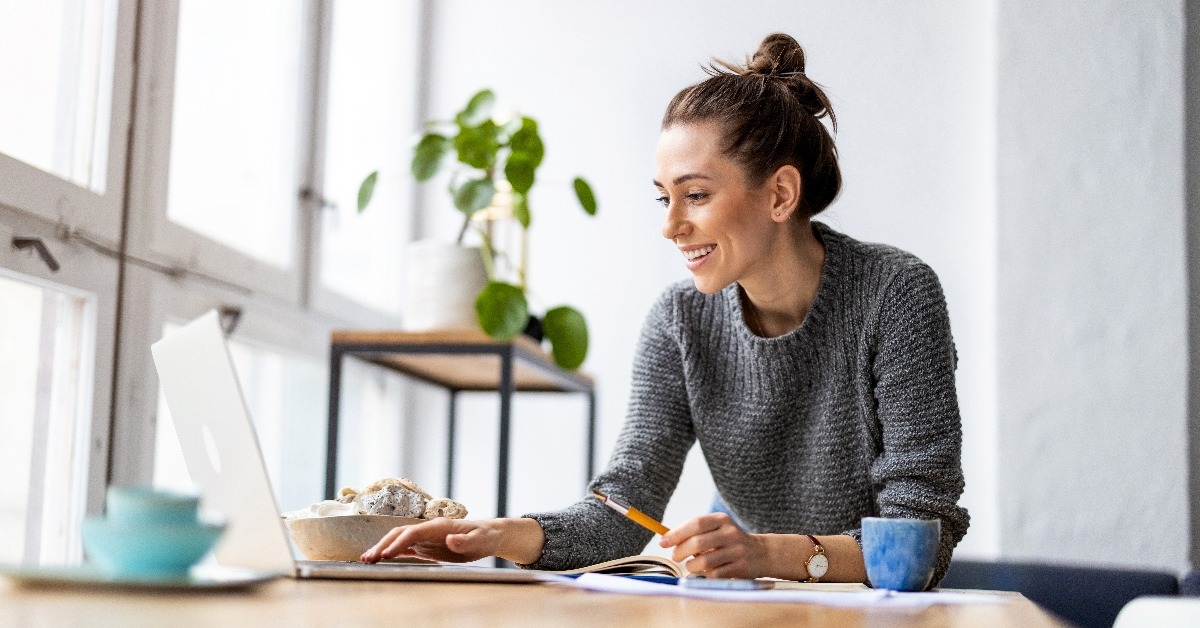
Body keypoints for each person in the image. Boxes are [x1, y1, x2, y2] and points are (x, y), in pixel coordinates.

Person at [362, 33, 969, 587]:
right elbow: (625, 509)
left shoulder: (896, 294)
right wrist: (501, 536)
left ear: (780, 194)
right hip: (749, 603)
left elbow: (920, 542)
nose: (671, 226)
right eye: (663, 198)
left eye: (695, 195)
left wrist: (761, 554)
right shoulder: (680, 321)